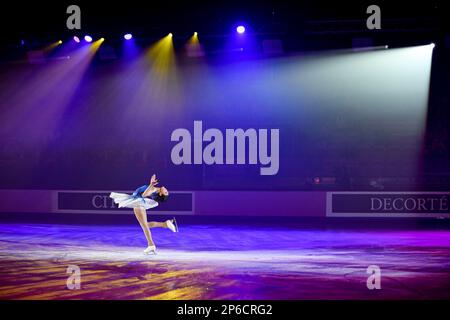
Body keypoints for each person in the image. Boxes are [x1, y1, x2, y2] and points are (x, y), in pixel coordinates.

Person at [109, 174, 178, 255]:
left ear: (160, 194)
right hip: (138, 202)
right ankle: (165, 224)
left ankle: (151, 245)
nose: (166, 190)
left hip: (139, 203)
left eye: (166, 192)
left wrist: (151, 184)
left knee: (144, 226)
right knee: (146, 225)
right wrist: (151, 185)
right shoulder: (154, 189)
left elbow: (143, 195)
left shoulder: (153, 189)